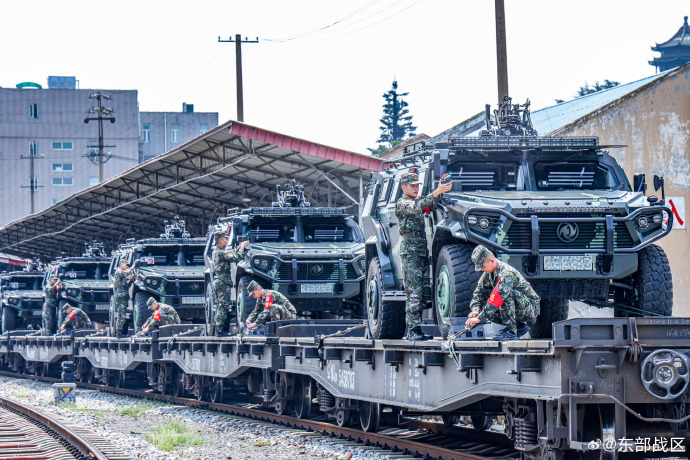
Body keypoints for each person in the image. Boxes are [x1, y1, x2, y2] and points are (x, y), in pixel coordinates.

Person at [395, 171, 453, 341]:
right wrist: (437, 192)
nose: (415, 189)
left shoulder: (417, 201)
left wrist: (440, 189)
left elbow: (430, 205)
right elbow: (417, 207)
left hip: (420, 250)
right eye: (412, 186)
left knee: (423, 292)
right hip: (410, 252)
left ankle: (416, 328)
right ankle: (412, 330)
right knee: (414, 292)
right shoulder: (402, 203)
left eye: (417, 186)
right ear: (403, 187)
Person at [465, 245, 541, 340]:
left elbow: (499, 296)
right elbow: (478, 293)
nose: (482, 269)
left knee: (502, 295)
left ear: (492, 261)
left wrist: (479, 318)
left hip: (530, 309)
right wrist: (476, 310)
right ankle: (519, 327)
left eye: (483, 266)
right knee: (487, 303)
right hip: (519, 306)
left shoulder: (507, 273)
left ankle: (511, 332)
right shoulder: (488, 274)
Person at [212, 230, 249, 336]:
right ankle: (219, 331)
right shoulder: (220, 252)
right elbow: (236, 257)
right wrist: (242, 248)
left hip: (220, 281)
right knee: (223, 306)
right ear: (220, 241)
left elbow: (232, 254)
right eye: (225, 239)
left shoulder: (218, 251)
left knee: (221, 305)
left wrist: (238, 248)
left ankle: (220, 330)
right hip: (222, 282)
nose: (226, 240)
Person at [112, 259, 138, 337]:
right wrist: (133, 267)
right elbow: (126, 273)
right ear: (121, 264)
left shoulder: (122, 275)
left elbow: (126, 286)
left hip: (123, 296)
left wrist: (131, 280)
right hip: (120, 297)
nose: (127, 267)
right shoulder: (119, 272)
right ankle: (119, 333)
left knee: (122, 314)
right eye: (126, 265)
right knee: (121, 315)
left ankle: (121, 332)